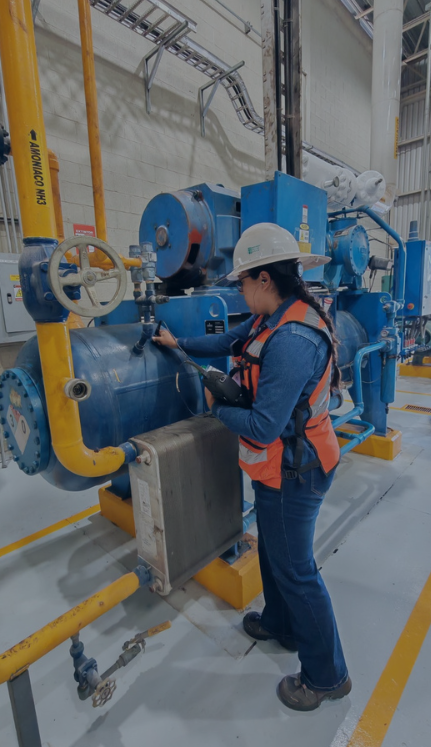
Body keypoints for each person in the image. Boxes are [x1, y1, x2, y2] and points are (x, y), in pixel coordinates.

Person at [154, 222, 350, 711]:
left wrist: (215, 408)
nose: (239, 290)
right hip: (278, 467)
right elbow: (228, 342)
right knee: (274, 556)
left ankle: (328, 676)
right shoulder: (272, 318)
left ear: (265, 279)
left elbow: (263, 427)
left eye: (242, 281)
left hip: (297, 470)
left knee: (297, 571)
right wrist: (178, 344)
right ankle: (282, 624)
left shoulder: (292, 339)